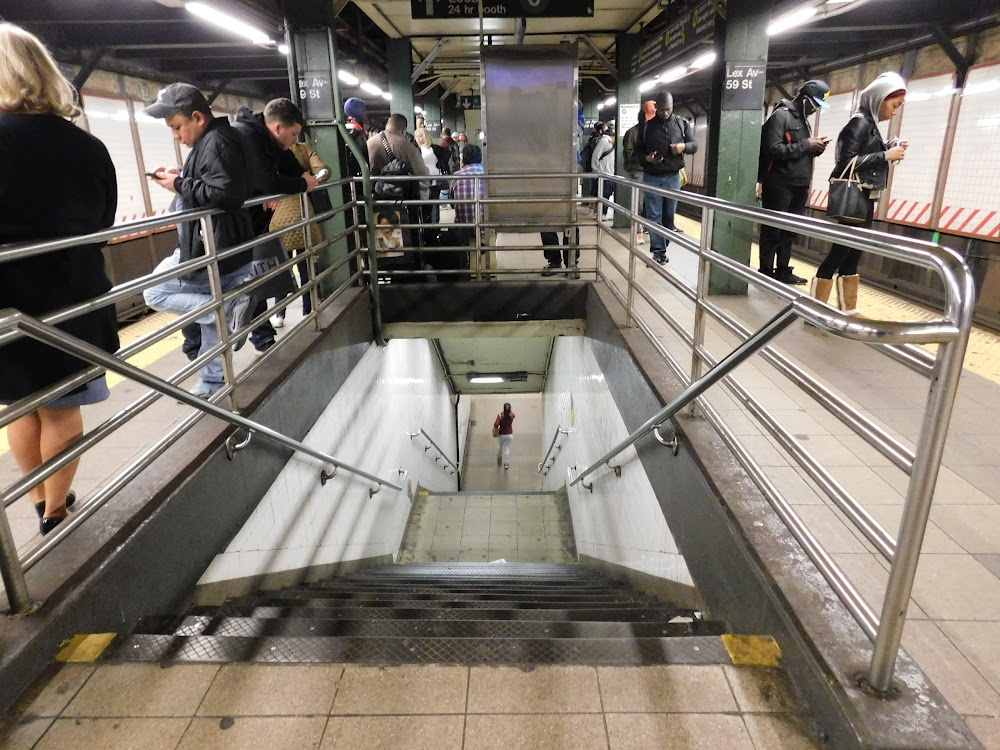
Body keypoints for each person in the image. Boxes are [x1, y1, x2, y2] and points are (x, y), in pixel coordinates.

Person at [0, 23, 120, 535]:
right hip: (72, 293)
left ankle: (38, 498)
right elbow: (103, 221)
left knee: (21, 405)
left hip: (6, 302)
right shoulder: (85, 146)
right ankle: (57, 510)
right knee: (62, 408)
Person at [142, 82, 256, 399]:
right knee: (210, 327)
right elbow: (217, 182)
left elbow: (226, 194)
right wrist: (181, 177)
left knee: (155, 290)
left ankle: (224, 308)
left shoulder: (216, 142)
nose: (176, 135)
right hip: (218, 246)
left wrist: (179, 184)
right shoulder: (214, 141)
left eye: (177, 127)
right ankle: (212, 384)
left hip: (212, 248)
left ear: (197, 117)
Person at [811, 72, 908, 315]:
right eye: (893, 105)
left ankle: (848, 308)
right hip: (854, 199)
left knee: (853, 252)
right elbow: (845, 163)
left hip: (864, 198)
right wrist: (885, 155)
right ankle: (816, 309)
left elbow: (862, 157)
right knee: (840, 251)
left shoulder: (869, 124)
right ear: (880, 99)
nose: (894, 112)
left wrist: (888, 148)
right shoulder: (860, 123)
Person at [233, 98, 318, 352]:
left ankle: (260, 334)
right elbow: (267, 180)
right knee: (238, 279)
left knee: (253, 275)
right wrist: (302, 185)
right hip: (237, 224)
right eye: (293, 134)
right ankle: (210, 342)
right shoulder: (248, 137)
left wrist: (302, 177)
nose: (294, 140)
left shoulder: (266, 140)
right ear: (279, 127)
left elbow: (284, 165)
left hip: (252, 223)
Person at [758, 80, 831, 285]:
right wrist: (806, 144)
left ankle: (783, 270)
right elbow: (772, 149)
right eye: (815, 104)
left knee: (790, 230)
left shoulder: (803, 120)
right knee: (773, 229)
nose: (816, 109)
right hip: (779, 183)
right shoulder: (780, 116)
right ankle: (765, 270)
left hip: (799, 183)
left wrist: (814, 148)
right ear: (805, 98)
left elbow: (799, 150)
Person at [268, 139, 329, 326]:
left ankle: (279, 312)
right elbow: (324, 169)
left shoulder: (270, 150)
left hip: (278, 215)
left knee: (282, 266)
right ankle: (308, 309)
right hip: (303, 212)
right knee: (305, 265)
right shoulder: (303, 149)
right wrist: (311, 179)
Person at [635, 91, 698, 265]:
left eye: (668, 109)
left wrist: (682, 147)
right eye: (662, 110)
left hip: (672, 177)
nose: (665, 113)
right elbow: (637, 153)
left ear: (673, 106)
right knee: (654, 215)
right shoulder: (646, 127)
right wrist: (647, 159)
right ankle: (659, 251)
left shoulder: (682, 123)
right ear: (656, 108)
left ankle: (664, 241)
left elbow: (694, 146)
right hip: (652, 177)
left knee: (668, 216)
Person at [623, 97, 657, 245]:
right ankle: (637, 233)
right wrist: (646, 159)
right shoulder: (632, 133)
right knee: (638, 204)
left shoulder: (656, 132)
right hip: (639, 172)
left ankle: (652, 231)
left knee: (653, 204)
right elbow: (630, 153)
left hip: (654, 172)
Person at [414, 126, 451, 229]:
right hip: (422, 182)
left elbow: (447, 153)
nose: (418, 138)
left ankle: (435, 227)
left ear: (426, 136)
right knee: (426, 207)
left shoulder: (434, 148)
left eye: (421, 136)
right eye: (417, 136)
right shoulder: (416, 149)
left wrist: (441, 164)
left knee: (434, 205)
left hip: (435, 181)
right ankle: (428, 228)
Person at [451, 144, 485, 246]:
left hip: (463, 227)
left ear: (463, 159)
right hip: (486, 226)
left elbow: (452, 203)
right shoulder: (488, 174)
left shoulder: (456, 176)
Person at [592, 127, 616, 222]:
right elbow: (595, 156)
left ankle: (602, 213)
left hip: (610, 174)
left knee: (607, 194)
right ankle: (602, 213)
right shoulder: (604, 141)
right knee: (604, 195)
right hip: (603, 174)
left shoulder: (610, 143)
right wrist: (597, 170)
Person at [580, 122, 607, 205]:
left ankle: (592, 205)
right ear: (600, 130)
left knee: (594, 186)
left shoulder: (592, 139)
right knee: (597, 187)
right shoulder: (599, 140)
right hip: (597, 167)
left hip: (590, 165)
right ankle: (595, 206)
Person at [494, 403, 515, 470]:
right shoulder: (512, 415)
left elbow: (496, 424)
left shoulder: (500, 416)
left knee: (500, 446)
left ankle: (499, 458)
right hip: (509, 434)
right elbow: (512, 416)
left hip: (501, 434)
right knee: (507, 448)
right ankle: (506, 464)